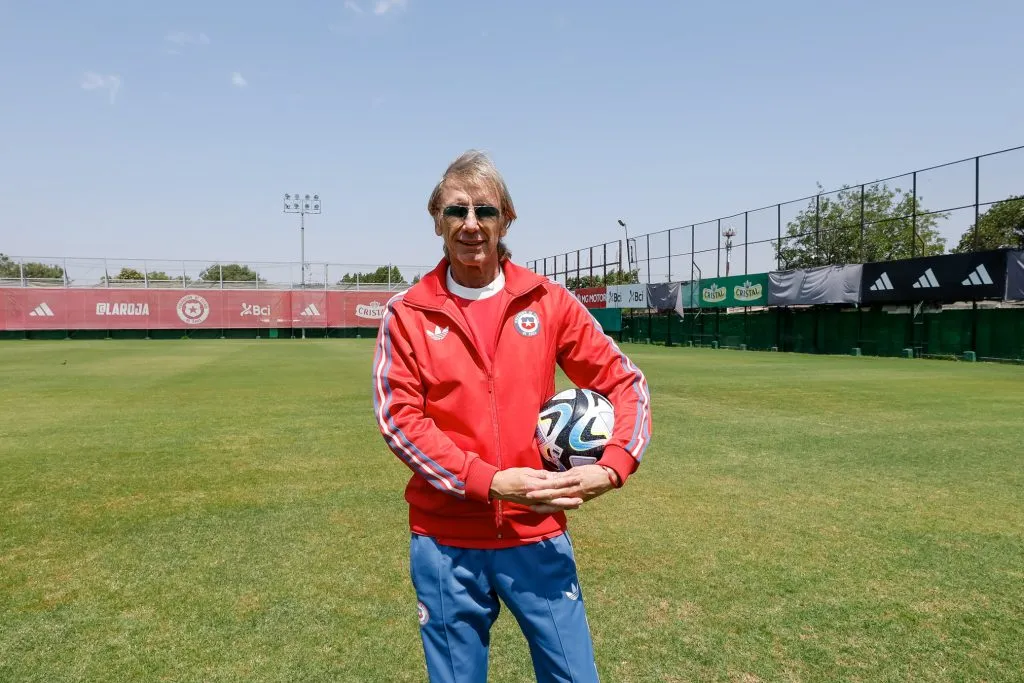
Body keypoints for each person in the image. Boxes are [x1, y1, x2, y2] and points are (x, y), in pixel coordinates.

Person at [372, 150, 651, 682]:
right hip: (445, 541)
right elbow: (400, 420)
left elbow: (624, 382)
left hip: (536, 534)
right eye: (456, 210)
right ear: (436, 218)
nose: (471, 224)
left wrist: (613, 465)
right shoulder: (407, 313)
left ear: (507, 219)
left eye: (485, 210)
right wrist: (489, 481)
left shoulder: (548, 301)